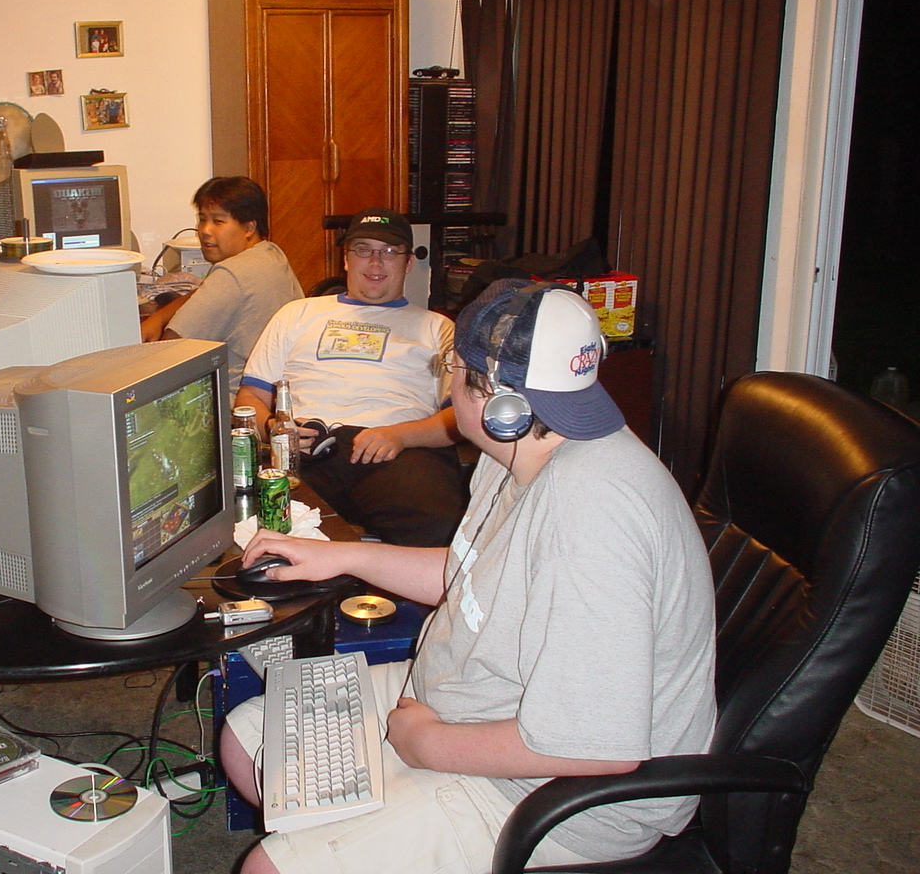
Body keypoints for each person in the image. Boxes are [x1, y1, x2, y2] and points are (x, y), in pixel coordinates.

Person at [221, 278, 717, 874]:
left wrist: (426, 744)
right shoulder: (522, 450)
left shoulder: (588, 516)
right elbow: (473, 577)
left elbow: (596, 749)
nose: (447, 384)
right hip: (476, 694)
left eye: (452, 370)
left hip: (558, 793)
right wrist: (348, 557)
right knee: (249, 741)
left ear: (495, 401)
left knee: (267, 868)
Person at [235, 208, 467, 547]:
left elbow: (460, 417)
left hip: (398, 450)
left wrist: (401, 435)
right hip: (308, 449)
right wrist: (275, 428)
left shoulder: (438, 328)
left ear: (408, 263)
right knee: (256, 528)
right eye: (363, 249)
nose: (375, 262)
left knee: (440, 531)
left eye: (389, 251)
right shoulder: (296, 313)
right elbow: (250, 398)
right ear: (346, 259)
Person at [141, 177, 303, 394]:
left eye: (218, 221)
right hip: (276, 393)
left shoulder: (232, 273)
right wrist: (160, 317)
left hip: (233, 399)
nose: (205, 230)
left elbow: (172, 350)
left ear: (249, 227)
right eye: (202, 219)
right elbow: (208, 293)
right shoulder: (271, 254)